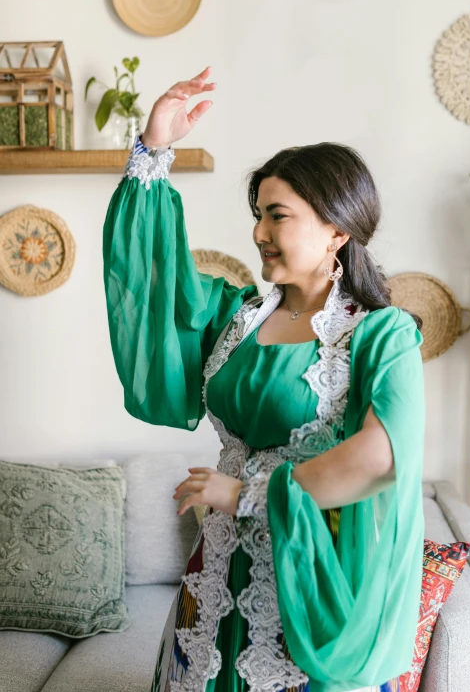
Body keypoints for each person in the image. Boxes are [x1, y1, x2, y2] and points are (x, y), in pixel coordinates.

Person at [102, 66, 425, 692]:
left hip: (307, 584)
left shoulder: (381, 336)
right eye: (257, 214)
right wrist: (154, 148)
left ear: (337, 229)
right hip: (213, 573)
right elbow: (149, 281)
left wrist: (247, 494)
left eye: (277, 215)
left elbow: (383, 455)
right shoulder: (237, 315)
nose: (258, 233)